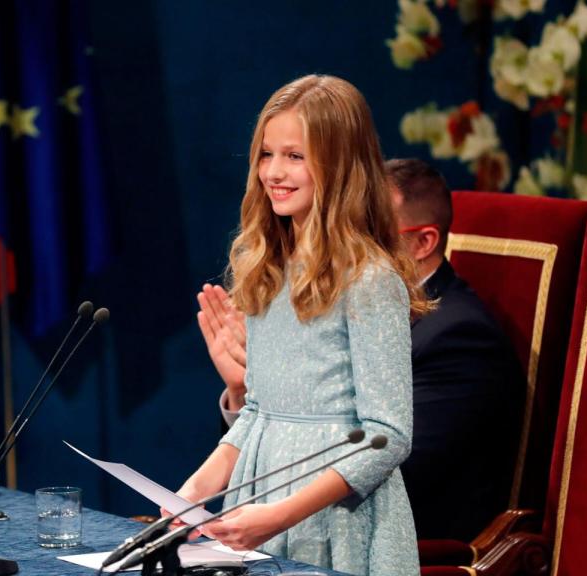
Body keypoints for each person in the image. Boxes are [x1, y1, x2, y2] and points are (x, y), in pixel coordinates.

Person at [173, 75, 425, 575]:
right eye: (266, 155)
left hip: (337, 523)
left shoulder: (370, 280)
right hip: (260, 495)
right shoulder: (264, 268)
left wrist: (281, 515)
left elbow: (389, 435)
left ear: (341, 166)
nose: (273, 172)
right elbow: (257, 409)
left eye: (295, 156)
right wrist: (191, 493)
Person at [198, 158, 523, 541]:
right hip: (301, 527)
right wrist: (250, 390)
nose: (347, 239)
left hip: (398, 544)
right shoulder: (340, 305)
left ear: (423, 243)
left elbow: (387, 467)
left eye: (367, 227)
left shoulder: (459, 339)